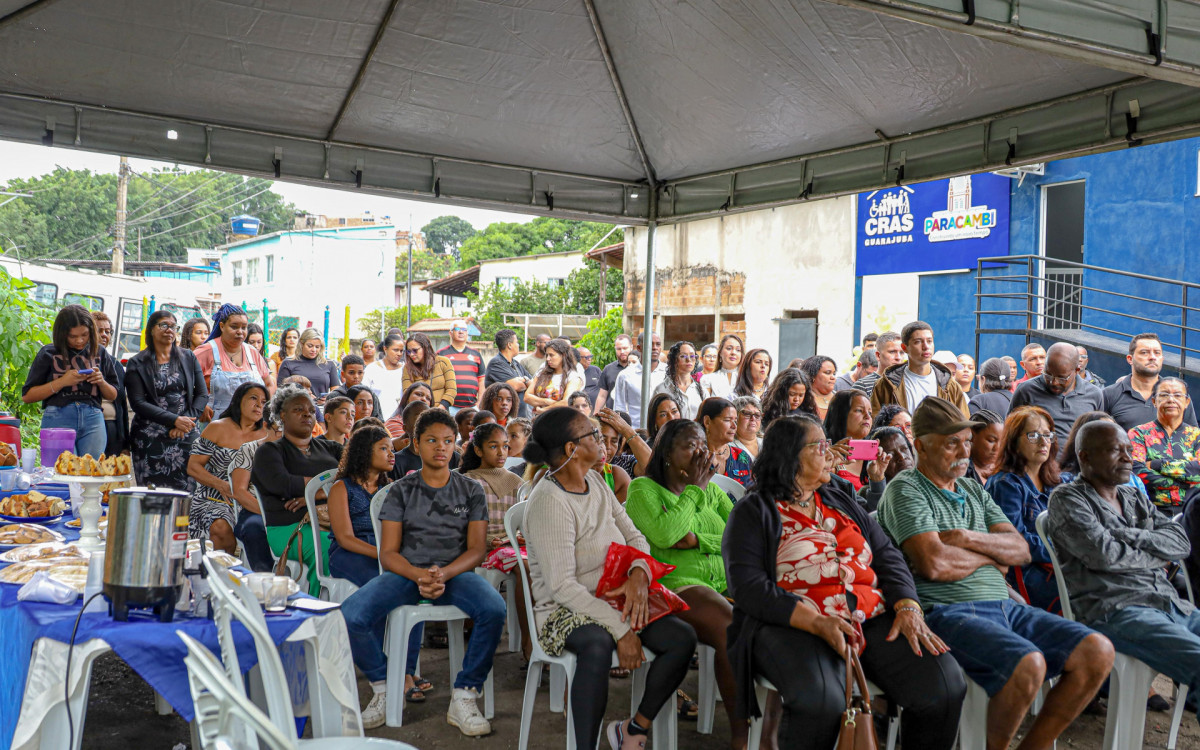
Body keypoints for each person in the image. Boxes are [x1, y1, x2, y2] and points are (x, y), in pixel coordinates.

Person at [877, 397, 1113, 750]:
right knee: (1028, 664)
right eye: (951, 443)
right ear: (921, 446)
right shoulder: (906, 488)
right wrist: (990, 557)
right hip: (946, 612)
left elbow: (1018, 551)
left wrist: (965, 538)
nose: (963, 451)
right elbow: (935, 564)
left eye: (967, 441)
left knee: (1097, 650)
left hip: (1004, 605)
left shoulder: (972, 488)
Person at [723, 413, 965, 750]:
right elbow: (747, 588)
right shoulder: (754, 511)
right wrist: (818, 622)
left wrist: (908, 606)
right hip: (793, 622)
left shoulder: (838, 497)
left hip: (869, 615)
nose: (830, 453)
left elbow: (886, 553)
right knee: (821, 700)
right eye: (820, 446)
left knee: (945, 684)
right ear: (791, 456)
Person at [522, 406, 698, 750]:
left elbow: (636, 539)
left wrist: (638, 573)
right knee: (597, 645)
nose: (602, 440)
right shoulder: (549, 501)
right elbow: (562, 587)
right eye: (592, 434)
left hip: (615, 596)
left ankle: (633, 729)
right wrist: (622, 630)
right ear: (572, 449)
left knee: (682, 638)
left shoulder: (596, 483)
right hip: (562, 609)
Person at [342, 409, 505, 735]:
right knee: (350, 614)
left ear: (456, 445)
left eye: (448, 441)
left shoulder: (471, 490)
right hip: (405, 573)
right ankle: (385, 686)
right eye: (431, 440)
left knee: (493, 609)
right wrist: (418, 575)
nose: (441, 448)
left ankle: (465, 694)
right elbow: (388, 553)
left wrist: (444, 574)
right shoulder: (401, 490)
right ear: (416, 443)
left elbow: (476, 550)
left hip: (456, 574)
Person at [1046, 420, 1200, 724]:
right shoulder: (1068, 499)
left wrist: (1131, 536)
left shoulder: (1133, 497)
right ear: (1085, 456)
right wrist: (1157, 555)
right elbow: (1105, 556)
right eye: (1117, 450)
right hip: (1117, 611)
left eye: (1130, 450)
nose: (1129, 457)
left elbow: (1181, 543)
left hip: (1169, 604)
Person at [624, 419, 747, 749]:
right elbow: (666, 535)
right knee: (729, 629)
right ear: (666, 453)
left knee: (773, 613)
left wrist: (697, 540)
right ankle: (742, 737)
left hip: (724, 579)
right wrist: (693, 489)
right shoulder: (643, 490)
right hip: (677, 583)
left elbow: (737, 533)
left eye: (702, 447)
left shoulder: (711, 488)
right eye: (691, 446)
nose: (700, 454)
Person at [251, 384, 343, 596]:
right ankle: (319, 605)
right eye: (298, 409)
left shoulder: (331, 447)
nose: (307, 415)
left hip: (334, 522)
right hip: (289, 526)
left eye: (311, 410)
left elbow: (354, 475)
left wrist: (311, 495)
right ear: (282, 415)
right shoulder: (270, 451)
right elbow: (282, 484)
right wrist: (321, 492)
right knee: (331, 549)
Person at [463, 422, 534, 658]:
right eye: (493, 446)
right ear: (478, 450)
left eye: (505, 446)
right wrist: (487, 541)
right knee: (525, 567)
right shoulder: (467, 481)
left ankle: (543, 633)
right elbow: (461, 523)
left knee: (540, 564)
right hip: (483, 548)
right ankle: (529, 639)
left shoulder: (516, 482)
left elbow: (525, 519)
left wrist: (522, 535)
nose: (502, 452)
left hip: (513, 545)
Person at [985, 406, 1064, 613]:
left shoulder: (1056, 482)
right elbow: (1015, 541)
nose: (1043, 442)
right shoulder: (1005, 484)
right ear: (1014, 442)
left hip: (1059, 563)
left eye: (1047, 435)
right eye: (1033, 435)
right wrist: (1063, 548)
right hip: (1026, 572)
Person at [21, 304, 120, 458]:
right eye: (72, 336)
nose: (79, 341)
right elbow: (27, 396)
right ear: (62, 334)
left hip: (93, 418)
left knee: (90, 474)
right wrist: (62, 382)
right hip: (58, 416)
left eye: (85, 335)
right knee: (61, 473)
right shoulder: (49, 352)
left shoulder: (99, 351)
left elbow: (113, 395)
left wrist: (101, 381)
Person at [125, 310, 208, 490]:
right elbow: (138, 403)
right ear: (151, 330)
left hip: (186, 432)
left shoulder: (188, 357)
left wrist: (184, 422)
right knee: (153, 496)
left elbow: (202, 395)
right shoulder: (136, 363)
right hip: (150, 436)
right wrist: (174, 421)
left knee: (189, 491)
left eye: (173, 326)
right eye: (163, 325)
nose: (169, 329)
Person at [188, 382, 270, 553]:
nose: (259, 405)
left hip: (251, 499)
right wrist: (222, 485)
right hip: (214, 497)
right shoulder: (218, 427)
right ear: (239, 401)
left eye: (263, 402)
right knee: (220, 526)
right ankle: (220, 574)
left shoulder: (267, 434)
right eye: (253, 398)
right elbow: (193, 467)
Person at [326, 425, 395, 587]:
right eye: (384, 449)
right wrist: (381, 554)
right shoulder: (342, 488)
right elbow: (345, 539)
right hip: (349, 553)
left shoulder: (390, 489)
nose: (392, 454)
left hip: (383, 548)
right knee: (381, 582)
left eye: (392, 449)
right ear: (365, 452)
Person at [1010, 342, 1103, 446]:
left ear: (1076, 370)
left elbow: (1098, 436)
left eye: (1061, 378)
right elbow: (1010, 432)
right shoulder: (1026, 390)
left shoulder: (1094, 394)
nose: (1053, 382)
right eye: (1048, 375)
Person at [1129, 376, 1200, 510]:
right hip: (1150, 510)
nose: (1171, 400)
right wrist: (1185, 485)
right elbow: (1137, 472)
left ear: (1187, 402)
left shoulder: (1196, 435)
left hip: (1191, 511)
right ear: (1154, 401)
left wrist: (1156, 464)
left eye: (1178, 395)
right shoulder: (1138, 433)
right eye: (1164, 395)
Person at [194, 304, 274, 423]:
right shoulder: (205, 352)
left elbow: (269, 384)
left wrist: (264, 406)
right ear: (222, 326)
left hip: (251, 424)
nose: (240, 332)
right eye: (234, 327)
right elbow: (182, 385)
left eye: (244, 327)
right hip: (214, 423)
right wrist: (199, 404)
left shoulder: (252, 353)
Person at [1103, 332, 1199, 431]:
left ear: (1162, 359)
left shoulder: (1178, 395)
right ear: (1130, 359)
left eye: (1157, 352)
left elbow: (1193, 437)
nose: (1152, 357)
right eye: (1144, 352)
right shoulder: (1109, 395)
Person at [871, 321, 969, 417]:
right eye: (918, 342)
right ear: (904, 347)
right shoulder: (886, 385)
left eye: (929, 341)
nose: (926, 347)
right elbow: (875, 424)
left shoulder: (950, 385)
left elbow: (964, 425)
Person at [824, 389, 890, 506]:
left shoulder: (876, 457)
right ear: (840, 415)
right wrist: (825, 466)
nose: (867, 417)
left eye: (870, 413)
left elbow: (878, 512)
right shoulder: (826, 454)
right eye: (859, 410)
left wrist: (878, 478)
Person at [90, 311, 129, 456]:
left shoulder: (115, 364)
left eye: (108, 331)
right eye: (99, 331)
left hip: (111, 426)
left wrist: (125, 443)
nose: (104, 335)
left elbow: (121, 404)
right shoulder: (78, 362)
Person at [391, 401, 462, 477]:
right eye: (419, 418)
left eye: (430, 418)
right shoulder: (396, 462)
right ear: (405, 428)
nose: (425, 422)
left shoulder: (454, 458)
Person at [277, 328, 340, 413]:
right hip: (295, 410)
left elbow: (336, 391)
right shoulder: (288, 363)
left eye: (317, 347)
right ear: (302, 344)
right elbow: (281, 391)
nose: (314, 350)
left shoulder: (329, 364)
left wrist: (328, 398)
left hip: (322, 410)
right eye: (310, 346)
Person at [612, 332, 666, 428]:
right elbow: (620, 409)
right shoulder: (625, 375)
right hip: (636, 433)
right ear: (639, 348)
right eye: (650, 344)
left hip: (663, 432)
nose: (655, 348)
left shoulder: (669, 373)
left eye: (658, 344)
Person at [697, 397, 752, 487]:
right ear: (707, 422)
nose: (734, 426)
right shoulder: (695, 457)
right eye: (727, 420)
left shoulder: (741, 457)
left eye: (735, 421)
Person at [524, 339, 583, 414]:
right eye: (547, 355)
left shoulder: (573, 376)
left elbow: (566, 402)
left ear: (563, 355)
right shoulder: (542, 373)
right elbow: (527, 397)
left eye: (551, 355)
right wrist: (547, 401)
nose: (548, 358)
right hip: (539, 420)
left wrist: (543, 410)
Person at [484, 328, 533, 418]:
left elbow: (533, 383)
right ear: (510, 345)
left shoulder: (516, 363)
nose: (518, 345)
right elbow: (515, 386)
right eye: (517, 342)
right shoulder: (496, 363)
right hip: (502, 418)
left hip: (519, 417)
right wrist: (526, 380)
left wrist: (524, 380)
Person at [438, 321, 485, 413]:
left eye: (464, 329)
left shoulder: (476, 354)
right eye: (457, 329)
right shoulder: (441, 354)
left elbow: (481, 380)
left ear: (467, 333)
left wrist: (479, 404)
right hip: (449, 407)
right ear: (450, 333)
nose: (461, 332)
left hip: (472, 407)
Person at [402, 333, 456, 410]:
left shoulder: (444, 362)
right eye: (409, 351)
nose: (411, 354)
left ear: (425, 347)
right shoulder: (407, 368)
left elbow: (451, 390)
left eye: (415, 350)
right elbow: (407, 394)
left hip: (442, 412)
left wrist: (439, 409)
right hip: (419, 413)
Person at [652, 341, 705, 419]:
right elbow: (653, 418)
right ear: (674, 360)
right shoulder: (661, 389)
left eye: (692, 356)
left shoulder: (701, 389)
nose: (689, 360)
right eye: (683, 356)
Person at [598, 407, 652, 480]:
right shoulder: (581, 465)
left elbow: (651, 467)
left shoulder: (623, 464)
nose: (608, 446)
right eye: (603, 440)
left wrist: (626, 430)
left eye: (614, 441)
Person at [364, 334, 408, 418]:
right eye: (395, 350)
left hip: (398, 422)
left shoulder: (405, 370)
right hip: (376, 419)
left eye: (401, 351)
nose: (399, 354)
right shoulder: (372, 369)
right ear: (385, 349)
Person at [331, 354, 383, 420]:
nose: (356, 376)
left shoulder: (370, 395)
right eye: (351, 373)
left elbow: (379, 420)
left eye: (360, 373)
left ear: (363, 374)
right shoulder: (335, 396)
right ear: (343, 374)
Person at [853, 331, 902, 398]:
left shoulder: (908, 382)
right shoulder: (863, 386)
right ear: (878, 355)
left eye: (902, 352)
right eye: (892, 352)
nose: (898, 357)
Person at [594, 333, 633, 414]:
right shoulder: (608, 369)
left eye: (625, 348)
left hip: (635, 417)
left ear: (631, 347)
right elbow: (602, 396)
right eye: (619, 349)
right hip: (612, 417)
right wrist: (596, 414)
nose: (622, 351)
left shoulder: (639, 369)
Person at [965, 408, 1004, 484]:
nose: (997, 448)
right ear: (972, 436)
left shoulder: (1005, 467)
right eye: (991, 440)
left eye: (1002, 442)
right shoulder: (961, 470)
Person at [700, 334, 745, 400]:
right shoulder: (708, 379)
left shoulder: (747, 379)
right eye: (729, 348)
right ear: (720, 352)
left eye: (738, 350)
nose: (733, 352)